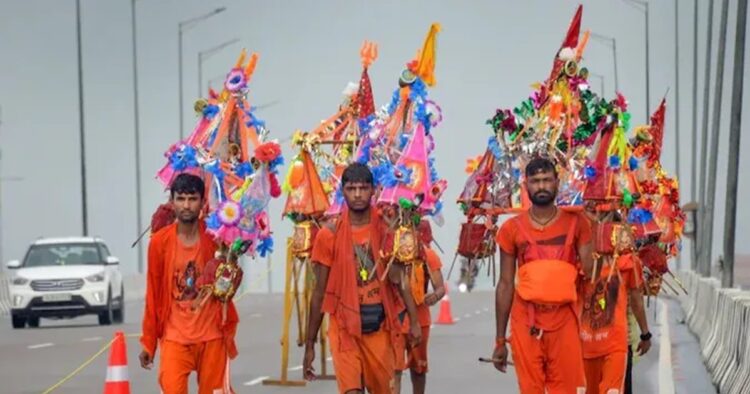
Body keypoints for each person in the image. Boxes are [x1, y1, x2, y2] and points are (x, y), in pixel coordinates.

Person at [303, 163, 422, 394]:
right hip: (344, 327)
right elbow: (319, 292)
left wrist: (415, 322)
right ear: (343, 191)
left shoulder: (387, 228)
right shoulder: (328, 235)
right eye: (351, 188)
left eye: (363, 188)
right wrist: (310, 344)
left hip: (379, 326)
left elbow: (400, 279)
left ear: (374, 190)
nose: (357, 194)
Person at [492, 157, 594, 393]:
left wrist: (595, 223)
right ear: (526, 185)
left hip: (564, 321)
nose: (541, 186)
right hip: (526, 321)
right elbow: (506, 284)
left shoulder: (578, 223)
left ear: (557, 183)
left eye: (547, 180)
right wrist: (499, 340)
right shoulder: (511, 229)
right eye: (536, 181)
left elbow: (589, 271)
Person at [139, 173, 239, 394]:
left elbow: (230, 282)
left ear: (202, 203)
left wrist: (230, 265)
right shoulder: (159, 243)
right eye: (180, 199)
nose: (186, 205)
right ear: (172, 202)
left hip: (212, 335)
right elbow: (153, 294)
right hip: (175, 336)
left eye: (192, 199)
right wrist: (149, 342)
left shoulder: (216, 238)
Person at [579, 208, 652, 394]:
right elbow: (636, 301)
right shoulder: (628, 262)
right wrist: (645, 334)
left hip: (591, 345)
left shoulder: (581, 262)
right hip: (603, 346)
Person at [392, 221, 446, 394]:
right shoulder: (390, 255)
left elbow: (440, 286)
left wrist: (435, 296)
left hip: (420, 319)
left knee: (418, 368)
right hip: (396, 319)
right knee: (395, 369)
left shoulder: (428, 255)